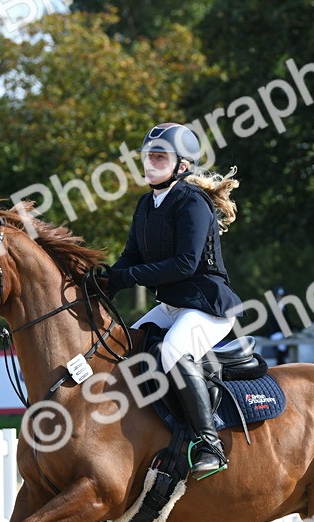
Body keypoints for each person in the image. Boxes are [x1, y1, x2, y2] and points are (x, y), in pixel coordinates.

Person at [100, 123, 243, 478]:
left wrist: (126, 278)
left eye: (159, 157)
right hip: (173, 306)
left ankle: (208, 442)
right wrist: (104, 282)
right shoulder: (146, 204)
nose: (150, 163)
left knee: (172, 352)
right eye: (148, 156)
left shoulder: (191, 202)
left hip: (208, 306)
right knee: (121, 345)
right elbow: (130, 256)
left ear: (182, 166)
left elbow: (185, 264)